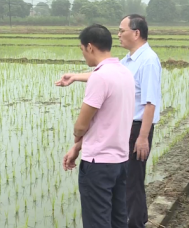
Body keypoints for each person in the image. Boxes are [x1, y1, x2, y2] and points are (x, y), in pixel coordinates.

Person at [58, 14, 162, 228]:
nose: (119, 34)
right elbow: (106, 74)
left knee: (128, 189)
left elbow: (151, 101)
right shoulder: (125, 65)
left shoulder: (148, 60)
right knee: (120, 201)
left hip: (124, 139)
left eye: (122, 30)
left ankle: (137, 224)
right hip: (121, 143)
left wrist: (143, 136)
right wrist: (76, 76)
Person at [62, 23, 135, 228]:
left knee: (97, 222)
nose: (83, 54)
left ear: (90, 47)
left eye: (82, 49)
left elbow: (82, 125)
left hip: (98, 164)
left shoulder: (100, 78)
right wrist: (78, 146)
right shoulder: (125, 73)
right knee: (118, 219)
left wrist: (77, 138)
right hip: (120, 161)